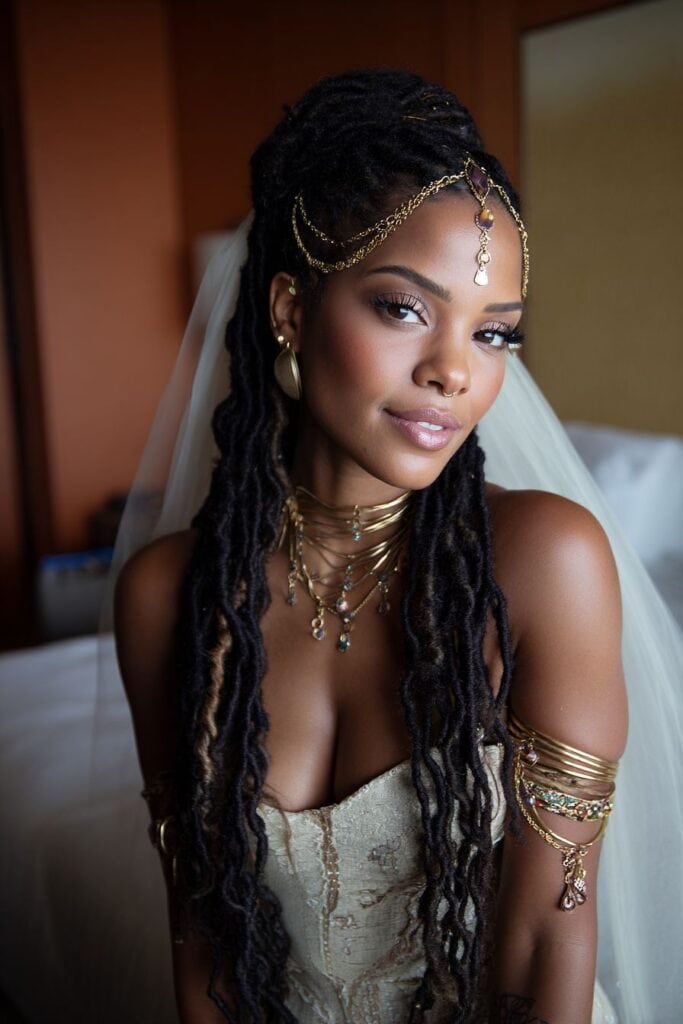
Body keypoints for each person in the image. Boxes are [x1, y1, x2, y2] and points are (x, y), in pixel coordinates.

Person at [111, 69, 678, 1024]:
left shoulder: (545, 559)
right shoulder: (167, 595)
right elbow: (201, 935)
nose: (454, 370)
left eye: (494, 333)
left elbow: (548, 933)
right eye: (404, 308)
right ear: (291, 310)